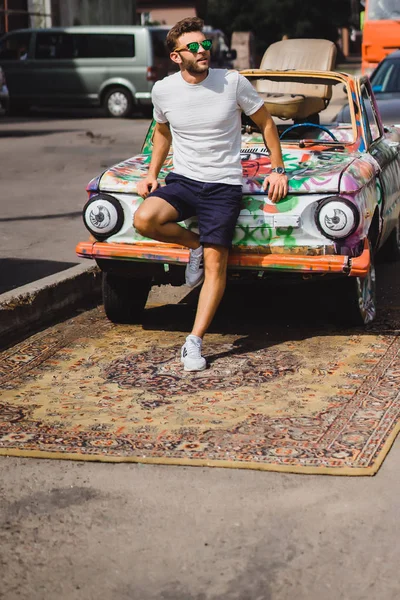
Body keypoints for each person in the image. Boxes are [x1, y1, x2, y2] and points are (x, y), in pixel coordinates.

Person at [135, 17, 288, 372]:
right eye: (193, 47)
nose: (203, 50)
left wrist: (277, 169)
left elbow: (266, 123)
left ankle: (194, 341)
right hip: (185, 180)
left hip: (223, 185)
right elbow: (163, 133)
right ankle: (195, 247)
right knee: (144, 218)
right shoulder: (164, 90)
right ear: (176, 56)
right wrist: (151, 174)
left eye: (205, 45)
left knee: (218, 264)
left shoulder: (232, 82)